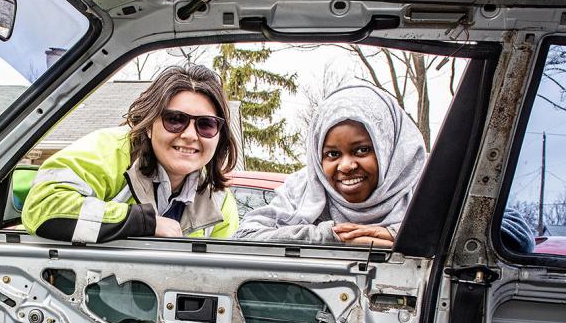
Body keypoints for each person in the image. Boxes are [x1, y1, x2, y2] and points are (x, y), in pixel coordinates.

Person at [22, 65, 239, 243]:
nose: (191, 135)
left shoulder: (218, 202)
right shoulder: (111, 150)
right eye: (175, 120)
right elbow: (42, 207)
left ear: (219, 136)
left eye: (206, 125)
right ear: (148, 125)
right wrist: (144, 223)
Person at [236, 84, 427, 248]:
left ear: (388, 149)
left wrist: (399, 237)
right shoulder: (304, 191)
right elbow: (244, 237)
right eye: (333, 154)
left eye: (361, 150)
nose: (346, 166)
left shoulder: (426, 189)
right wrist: (331, 237)